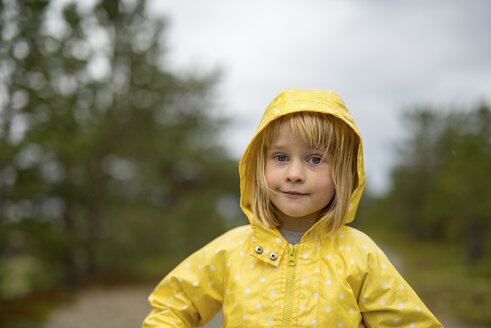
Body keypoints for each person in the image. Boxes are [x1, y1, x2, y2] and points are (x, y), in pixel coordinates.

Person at [142, 89, 443, 327]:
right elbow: (173, 304)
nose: (294, 174)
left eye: (315, 159)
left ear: (343, 173)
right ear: (259, 167)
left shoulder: (358, 254)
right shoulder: (234, 249)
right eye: (281, 157)